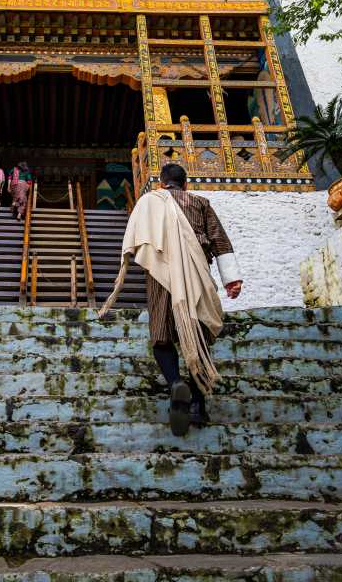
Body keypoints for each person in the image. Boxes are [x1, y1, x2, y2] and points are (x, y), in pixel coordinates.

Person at [99, 162, 242, 437]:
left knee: (161, 336)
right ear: (185, 184)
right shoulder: (200, 202)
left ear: (162, 183)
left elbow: (134, 237)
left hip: (160, 276)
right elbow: (219, 240)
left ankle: (176, 382)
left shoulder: (148, 201)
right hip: (196, 274)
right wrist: (231, 279)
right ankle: (198, 407)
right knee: (197, 336)